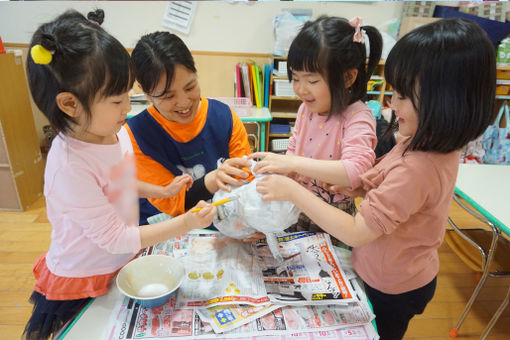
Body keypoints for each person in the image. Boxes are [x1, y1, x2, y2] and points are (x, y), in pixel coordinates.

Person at [254, 18, 496, 340]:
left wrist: (293, 191)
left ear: (448, 101)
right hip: (380, 266)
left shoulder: (419, 167)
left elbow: (355, 232)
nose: (391, 105)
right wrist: (358, 185)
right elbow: (385, 177)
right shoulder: (421, 141)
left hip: (393, 286)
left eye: (401, 96)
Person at [23, 10, 216, 340]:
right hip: (82, 276)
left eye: (128, 94)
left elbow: (119, 184)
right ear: (70, 104)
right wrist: (185, 223)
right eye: (117, 100)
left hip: (120, 262)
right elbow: (113, 237)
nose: (128, 107)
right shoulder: (71, 166)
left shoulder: (114, 131)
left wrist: (164, 190)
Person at [251, 16, 382, 246]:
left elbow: (356, 170)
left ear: (348, 77)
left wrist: (292, 164)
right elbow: (293, 151)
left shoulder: (357, 116)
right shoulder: (306, 110)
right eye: (296, 78)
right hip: (296, 209)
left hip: (333, 220)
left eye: (311, 80)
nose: (300, 89)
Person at [126, 31, 252, 225]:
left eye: (190, 87)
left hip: (224, 226)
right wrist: (212, 180)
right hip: (165, 231)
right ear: (146, 93)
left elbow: (245, 182)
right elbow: (173, 204)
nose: (184, 103)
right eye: (168, 97)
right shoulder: (136, 134)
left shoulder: (223, 118)